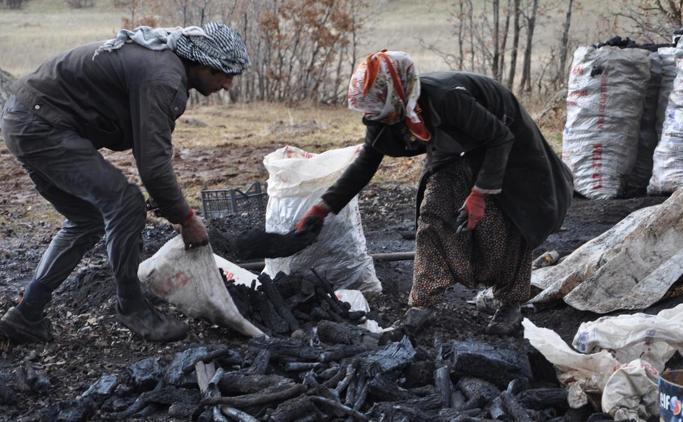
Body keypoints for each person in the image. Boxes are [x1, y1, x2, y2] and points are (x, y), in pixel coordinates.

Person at [0, 22, 249, 344]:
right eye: (222, 74)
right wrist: (186, 218)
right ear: (200, 62)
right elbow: (154, 166)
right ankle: (133, 308)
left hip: (26, 118)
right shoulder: (163, 77)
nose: (227, 84)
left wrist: (167, 204)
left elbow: (150, 151)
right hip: (41, 125)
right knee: (126, 204)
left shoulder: (163, 62)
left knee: (87, 219)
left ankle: (26, 314)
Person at [295, 50, 573, 331]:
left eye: (378, 109)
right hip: (452, 146)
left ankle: (510, 306)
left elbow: (499, 137)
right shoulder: (385, 116)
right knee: (434, 210)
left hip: (505, 141)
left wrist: (479, 194)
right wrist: (324, 207)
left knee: (506, 220)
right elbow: (366, 163)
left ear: (398, 94)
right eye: (369, 111)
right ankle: (421, 306)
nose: (372, 116)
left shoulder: (446, 98)